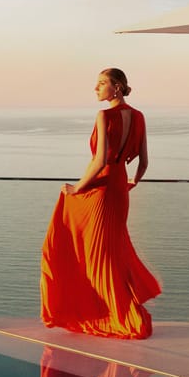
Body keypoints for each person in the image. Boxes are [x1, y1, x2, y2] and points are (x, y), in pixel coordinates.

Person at [40, 68, 161, 339]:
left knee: (88, 252)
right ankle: (116, 310)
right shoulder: (139, 116)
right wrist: (132, 182)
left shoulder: (104, 115)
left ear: (116, 87)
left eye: (101, 84)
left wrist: (77, 187)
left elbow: (100, 161)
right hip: (119, 188)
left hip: (102, 188)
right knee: (111, 252)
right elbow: (143, 162)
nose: (95, 89)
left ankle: (111, 314)